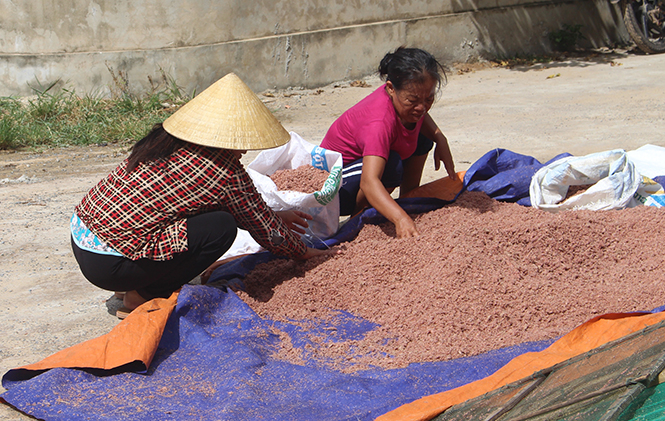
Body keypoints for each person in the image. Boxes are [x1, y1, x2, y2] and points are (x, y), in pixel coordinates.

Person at [71, 73, 329, 318]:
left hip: (84, 241)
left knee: (210, 216)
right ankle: (140, 295)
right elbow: (265, 230)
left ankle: (134, 281)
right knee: (221, 227)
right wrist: (303, 253)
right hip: (112, 265)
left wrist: (273, 215)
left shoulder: (164, 140)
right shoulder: (223, 171)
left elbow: (239, 210)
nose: (244, 150)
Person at [320, 46, 457, 238]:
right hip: (332, 191)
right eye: (413, 100)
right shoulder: (379, 122)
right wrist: (400, 219)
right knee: (392, 165)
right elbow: (369, 182)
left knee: (422, 137)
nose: (422, 107)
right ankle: (357, 222)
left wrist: (439, 137)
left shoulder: (404, 103)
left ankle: (409, 199)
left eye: (429, 98)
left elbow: (422, 115)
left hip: (361, 172)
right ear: (391, 88)